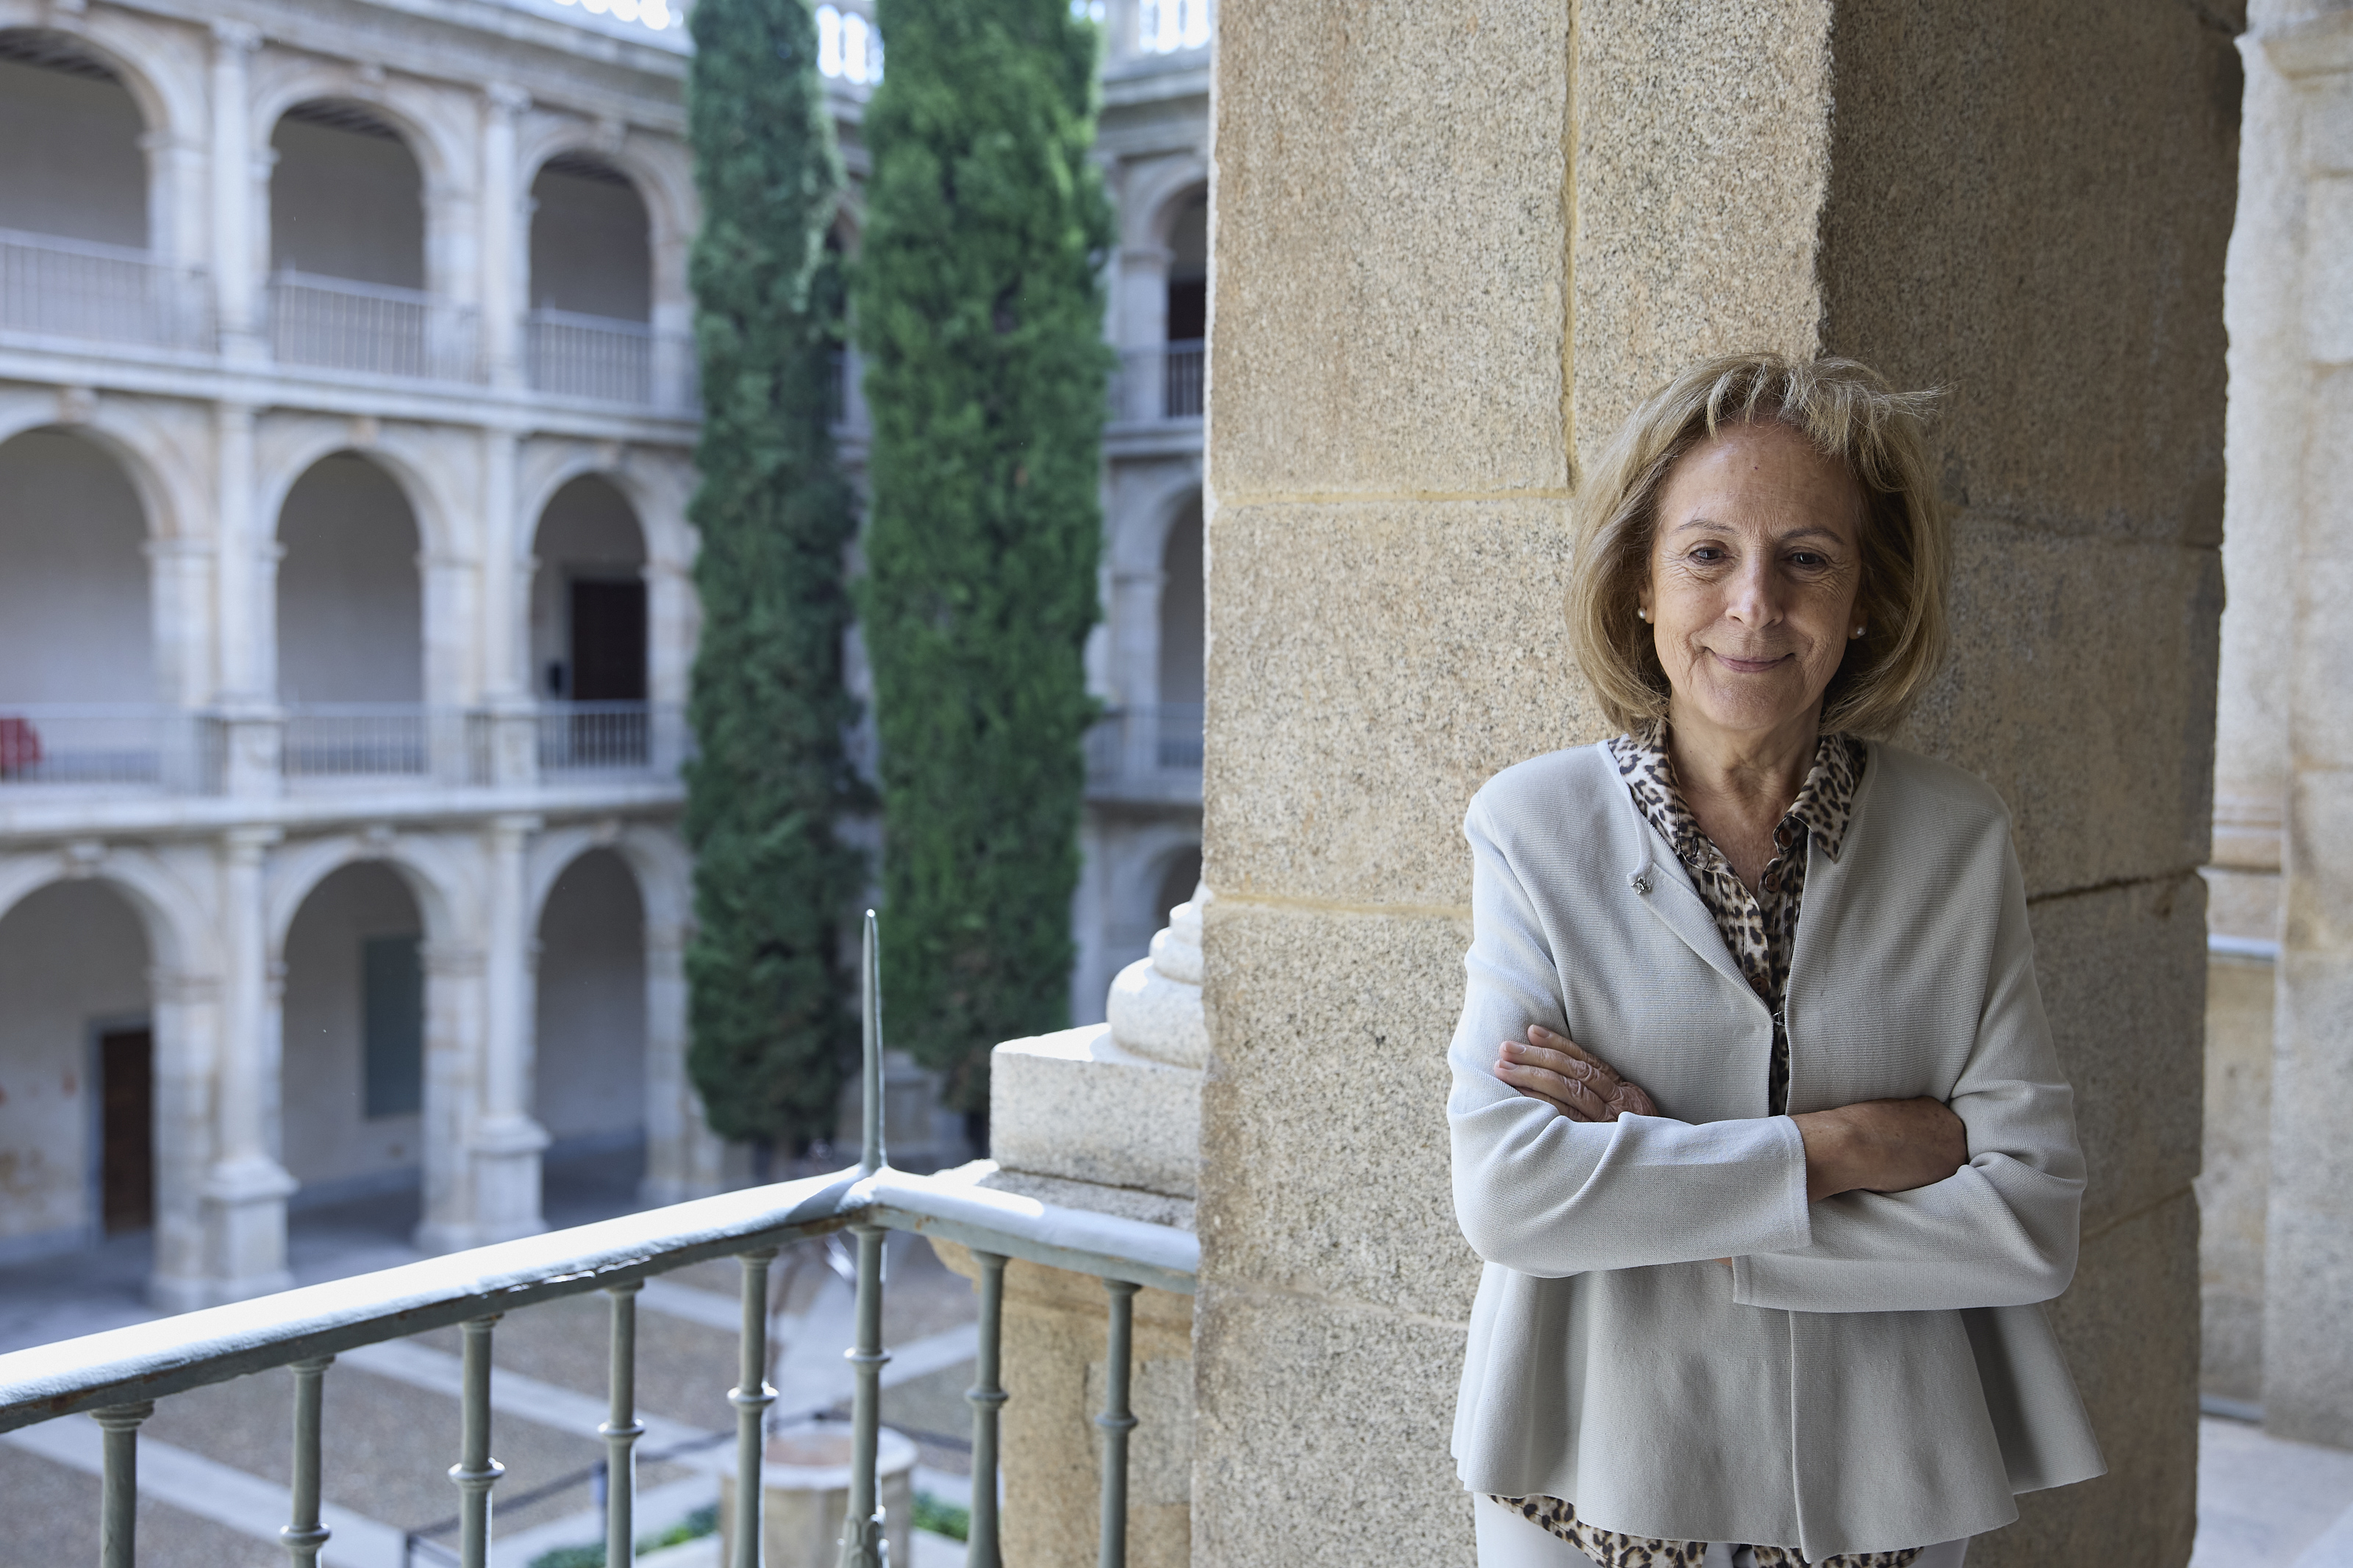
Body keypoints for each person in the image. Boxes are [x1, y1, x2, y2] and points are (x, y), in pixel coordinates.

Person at [1447, 354, 2105, 1568]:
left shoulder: (1958, 840)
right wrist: (1846, 1151)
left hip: (1883, 1498)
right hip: (1594, 1492)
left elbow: (2028, 1221)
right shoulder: (1533, 829)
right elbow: (1511, 1193)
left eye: (1808, 558)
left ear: (1865, 599)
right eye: (1707, 553)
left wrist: (1671, 1186)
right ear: (1640, 584)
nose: (1756, 602)